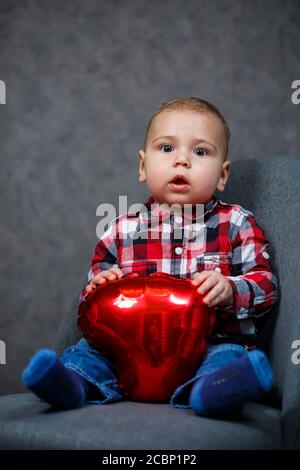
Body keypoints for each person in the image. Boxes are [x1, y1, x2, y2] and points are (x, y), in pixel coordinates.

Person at [22, 97, 278, 416]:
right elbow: (91, 299)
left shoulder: (236, 224)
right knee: (87, 355)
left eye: (200, 151)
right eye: (167, 148)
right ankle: (69, 384)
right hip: (128, 351)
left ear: (222, 175)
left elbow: (266, 285)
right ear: (143, 166)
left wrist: (229, 289)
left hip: (207, 345)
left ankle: (213, 393)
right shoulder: (121, 229)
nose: (182, 160)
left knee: (226, 357)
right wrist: (101, 285)